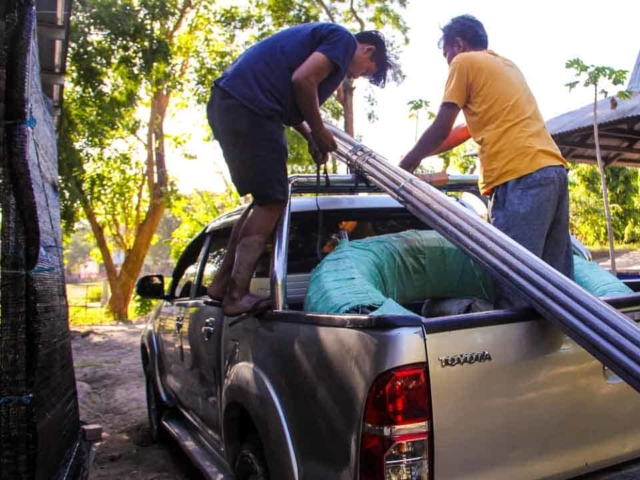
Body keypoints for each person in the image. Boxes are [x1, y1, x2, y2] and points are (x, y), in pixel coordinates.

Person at [207, 23, 395, 316]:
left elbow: (291, 98)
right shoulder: (343, 40)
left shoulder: (322, 42)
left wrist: (309, 134)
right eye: (367, 70)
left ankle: (222, 285)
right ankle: (236, 294)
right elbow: (303, 80)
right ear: (367, 50)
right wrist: (320, 131)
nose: (357, 76)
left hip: (234, 103)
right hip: (250, 108)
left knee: (265, 199)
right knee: (273, 201)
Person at [399, 15, 573, 309]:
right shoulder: (505, 66)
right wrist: (419, 154)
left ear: (458, 44)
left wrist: (406, 164)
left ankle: (513, 355)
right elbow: (461, 132)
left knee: (515, 283)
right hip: (551, 171)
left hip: (520, 176)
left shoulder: (464, 63)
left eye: (446, 55)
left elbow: (441, 126)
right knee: (555, 288)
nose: (448, 62)